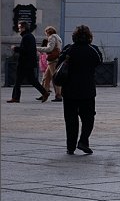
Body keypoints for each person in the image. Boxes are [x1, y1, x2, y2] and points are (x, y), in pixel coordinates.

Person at [58, 24, 102, 155]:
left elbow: (59, 64)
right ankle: (83, 140)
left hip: (69, 89)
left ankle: (70, 146)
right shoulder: (93, 50)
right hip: (87, 89)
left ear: (74, 36)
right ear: (89, 37)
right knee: (88, 118)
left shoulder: (68, 49)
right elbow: (99, 62)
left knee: (70, 119)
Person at [8, 21, 48, 103]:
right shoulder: (30, 36)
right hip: (29, 62)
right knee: (32, 80)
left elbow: (25, 50)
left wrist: (15, 48)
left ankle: (15, 98)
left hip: (24, 63)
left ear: (24, 28)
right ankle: (44, 93)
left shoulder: (26, 37)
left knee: (18, 81)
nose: (19, 30)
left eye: (20, 28)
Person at [38, 26, 64, 101]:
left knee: (55, 78)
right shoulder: (58, 37)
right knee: (46, 78)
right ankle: (44, 93)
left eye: (46, 33)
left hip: (53, 60)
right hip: (54, 60)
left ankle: (58, 95)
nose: (46, 35)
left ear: (48, 32)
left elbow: (50, 48)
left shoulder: (51, 37)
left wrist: (37, 48)